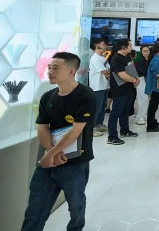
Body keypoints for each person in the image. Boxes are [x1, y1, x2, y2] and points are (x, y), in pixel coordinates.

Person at [21, 52, 95, 231]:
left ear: (71, 71)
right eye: (49, 68)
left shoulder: (86, 95)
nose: (50, 72)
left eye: (55, 68)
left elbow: (76, 130)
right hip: (48, 160)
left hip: (75, 161)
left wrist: (52, 154)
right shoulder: (47, 97)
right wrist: (50, 152)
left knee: (76, 205)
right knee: (35, 209)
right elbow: (42, 126)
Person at [107, 39, 140, 145]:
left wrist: (136, 78)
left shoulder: (127, 57)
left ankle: (125, 130)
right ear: (123, 47)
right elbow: (122, 75)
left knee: (125, 111)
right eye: (130, 45)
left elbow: (131, 70)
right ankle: (112, 136)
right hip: (119, 89)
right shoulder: (116, 58)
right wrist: (134, 80)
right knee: (116, 112)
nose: (131, 47)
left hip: (128, 88)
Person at [88, 38, 109, 136]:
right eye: (103, 44)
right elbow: (105, 72)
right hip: (97, 87)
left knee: (103, 107)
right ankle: (91, 128)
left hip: (104, 86)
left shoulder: (102, 57)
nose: (105, 45)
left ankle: (99, 124)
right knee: (96, 108)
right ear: (98, 46)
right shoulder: (95, 58)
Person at [145, 42, 159, 133]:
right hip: (154, 86)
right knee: (152, 106)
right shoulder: (156, 60)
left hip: (157, 86)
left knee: (154, 105)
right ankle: (150, 126)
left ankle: (153, 121)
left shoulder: (158, 58)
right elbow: (158, 74)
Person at [134, 45, 150, 125]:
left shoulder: (149, 60)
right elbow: (144, 71)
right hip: (140, 80)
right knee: (143, 99)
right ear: (141, 52)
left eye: (147, 51)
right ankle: (139, 117)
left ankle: (143, 115)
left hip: (146, 80)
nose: (146, 52)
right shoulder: (141, 60)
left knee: (146, 99)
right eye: (144, 51)